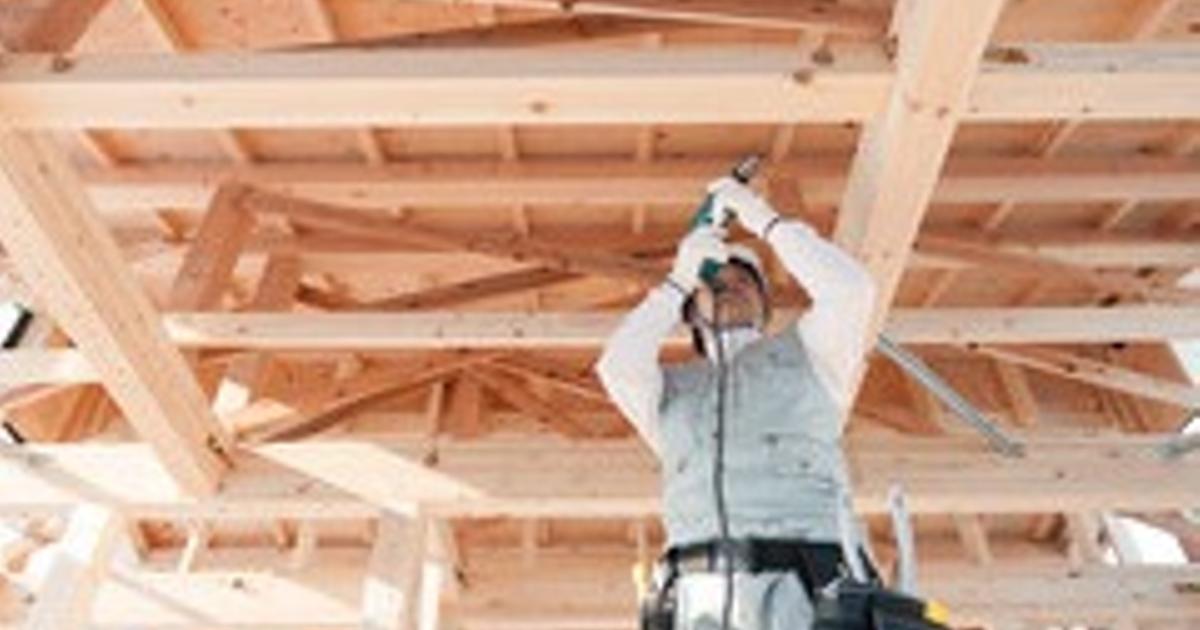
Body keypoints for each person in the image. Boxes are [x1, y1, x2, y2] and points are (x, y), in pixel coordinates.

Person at [596, 176, 878, 630]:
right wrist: (676, 282)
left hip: (808, 593)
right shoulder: (670, 391)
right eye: (713, 281)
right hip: (699, 600)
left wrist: (763, 220)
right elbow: (616, 366)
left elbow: (851, 291)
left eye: (746, 281)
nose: (730, 286)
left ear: (765, 307)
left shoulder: (812, 356)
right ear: (690, 311)